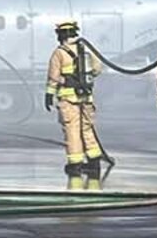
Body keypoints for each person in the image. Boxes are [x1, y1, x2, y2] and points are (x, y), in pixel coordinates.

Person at [44, 20, 111, 178]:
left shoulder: (59, 53)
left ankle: (75, 164)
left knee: (72, 130)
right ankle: (94, 162)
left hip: (68, 99)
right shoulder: (86, 49)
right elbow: (97, 69)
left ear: (60, 35)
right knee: (87, 129)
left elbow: (53, 77)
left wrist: (49, 94)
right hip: (86, 97)